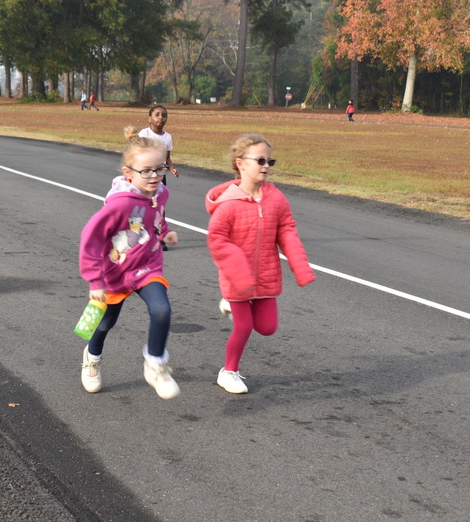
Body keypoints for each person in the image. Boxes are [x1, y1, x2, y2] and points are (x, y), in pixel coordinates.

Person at [205, 133, 316, 394]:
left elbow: (287, 230)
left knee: (267, 328)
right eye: (261, 160)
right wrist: (239, 275)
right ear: (241, 163)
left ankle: (230, 305)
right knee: (243, 326)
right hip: (236, 278)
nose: (266, 165)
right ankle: (229, 372)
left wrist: (300, 266)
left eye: (270, 161)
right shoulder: (228, 204)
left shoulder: (276, 199)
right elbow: (217, 240)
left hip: (265, 275)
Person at [78, 127, 180, 399]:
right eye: (146, 171)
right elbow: (91, 238)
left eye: (159, 169)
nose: (155, 176)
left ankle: (155, 364)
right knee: (104, 323)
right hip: (114, 272)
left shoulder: (161, 194)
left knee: (162, 310)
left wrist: (165, 231)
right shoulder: (119, 205)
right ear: (128, 173)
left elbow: (155, 220)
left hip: (147, 266)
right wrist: (95, 280)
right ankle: (92, 358)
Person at [138, 105, 179, 183]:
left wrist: (171, 169)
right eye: (157, 115)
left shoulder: (167, 137)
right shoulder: (144, 133)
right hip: (146, 172)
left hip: (160, 173)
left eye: (164, 116)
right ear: (150, 119)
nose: (161, 117)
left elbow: (167, 158)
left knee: (160, 193)